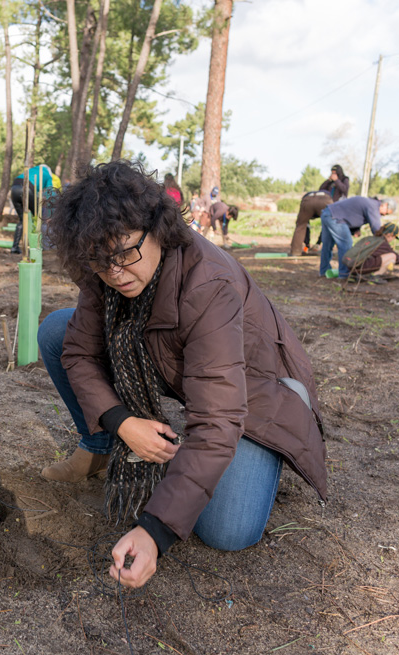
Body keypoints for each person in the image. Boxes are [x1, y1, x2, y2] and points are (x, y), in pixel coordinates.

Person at [36, 162, 327, 588]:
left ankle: (258, 457)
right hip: (187, 369)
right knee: (58, 332)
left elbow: (217, 418)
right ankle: (98, 447)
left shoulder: (207, 285)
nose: (116, 273)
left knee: (228, 532)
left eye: (126, 253)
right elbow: (78, 353)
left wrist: (155, 531)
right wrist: (121, 422)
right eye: (101, 261)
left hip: (260, 394)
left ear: (158, 227)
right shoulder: (102, 263)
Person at [319, 196, 395, 281]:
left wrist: (355, 229)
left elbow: (352, 213)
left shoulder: (370, 203)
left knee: (327, 245)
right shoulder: (374, 207)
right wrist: (384, 243)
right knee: (346, 244)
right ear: (385, 205)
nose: (384, 215)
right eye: (386, 213)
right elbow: (376, 229)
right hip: (335, 218)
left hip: (327, 212)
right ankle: (344, 274)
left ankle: (323, 271)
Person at [9, 164, 58, 254]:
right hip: (28, 189)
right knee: (40, 216)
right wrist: (51, 212)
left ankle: (14, 247)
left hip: (14, 188)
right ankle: (38, 245)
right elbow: (50, 194)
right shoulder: (47, 174)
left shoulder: (32, 170)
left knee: (22, 219)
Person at [288, 190, 332, 256]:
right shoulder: (329, 196)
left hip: (308, 200)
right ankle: (333, 252)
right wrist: (309, 244)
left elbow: (304, 226)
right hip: (325, 200)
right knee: (331, 225)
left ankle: (295, 252)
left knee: (300, 226)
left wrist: (310, 243)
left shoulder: (307, 198)